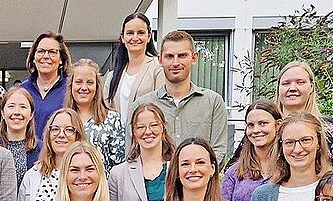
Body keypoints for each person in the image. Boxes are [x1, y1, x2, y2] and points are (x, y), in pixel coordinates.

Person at [132, 31, 228, 163]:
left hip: (199, 180)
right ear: (160, 60)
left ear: (194, 58)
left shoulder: (213, 102)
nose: (175, 62)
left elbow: (218, 151)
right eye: (169, 56)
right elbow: (133, 153)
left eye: (182, 56)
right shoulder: (141, 106)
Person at [273, 60, 333, 176]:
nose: (292, 88)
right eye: (286, 83)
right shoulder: (261, 129)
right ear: (278, 88)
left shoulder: (331, 129)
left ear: (311, 87)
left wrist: (331, 190)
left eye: (300, 82)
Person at [65, 59, 126, 173]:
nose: (84, 87)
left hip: (104, 188)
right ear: (71, 85)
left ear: (97, 86)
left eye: (89, 82)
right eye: (78, 82)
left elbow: (120, 166)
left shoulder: (112, 120)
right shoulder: (62, 120)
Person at [104, 12, 164, 126]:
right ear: (122, 38)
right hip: (119, 139)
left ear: (149, 36)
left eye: (140, 33)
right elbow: (106, 110)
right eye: (130, 33)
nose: (135, 38)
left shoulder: (158, 67)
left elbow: (162, 107)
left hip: (147, 137)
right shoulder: (112, 75)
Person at [20, 31, 72, 164]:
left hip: (61, 160)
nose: (46, 56)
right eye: (41, 51)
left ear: (61, 59)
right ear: (33, 57)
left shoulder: (70, 88)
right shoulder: (22, 90)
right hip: (26, 159)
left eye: (52, 52)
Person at [221, 100, 282, 201]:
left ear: (277, 125)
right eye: (250, 125)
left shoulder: (289, 168)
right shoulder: (234, 173)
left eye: (263, 123)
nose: (256, 130)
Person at [0, 86, 38, 188]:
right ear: (2, 113)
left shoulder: (42, 150)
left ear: (31, 114)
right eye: (11, 106)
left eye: (23, 107)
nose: (17, 112)